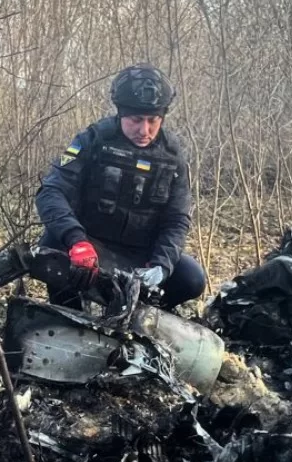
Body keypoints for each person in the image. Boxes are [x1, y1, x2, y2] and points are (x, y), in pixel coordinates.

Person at [34, 63, 206, 310]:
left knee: (192, 279)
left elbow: (177, 219)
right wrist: (76, 241)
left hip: (141, 256)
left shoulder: (172, 154)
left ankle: (144, 317)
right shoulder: (93, 140)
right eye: (136, 120)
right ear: (121, 113)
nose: (144, 130)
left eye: (153, 120)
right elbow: (51, 191)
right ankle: (66, 314)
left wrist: (161, 265)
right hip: (91, 246)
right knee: (52, 245)